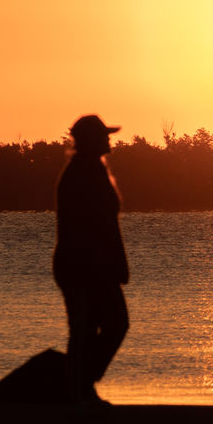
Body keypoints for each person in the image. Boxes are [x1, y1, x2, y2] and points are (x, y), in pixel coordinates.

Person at [53, 114, 130, 404]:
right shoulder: (81, 173)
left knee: (110, 325)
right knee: (87, 328)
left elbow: (108, 225)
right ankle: (77, 389)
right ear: (90, 141)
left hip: (97, 265)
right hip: (82, 264)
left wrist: (117, 264)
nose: (109, 139)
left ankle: (80, 384)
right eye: (104, 135)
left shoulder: (93, 170)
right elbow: (90, 226)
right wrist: (106, 265)